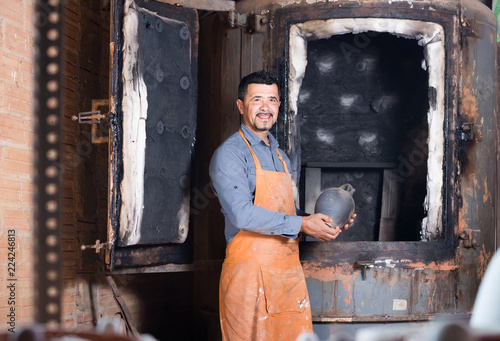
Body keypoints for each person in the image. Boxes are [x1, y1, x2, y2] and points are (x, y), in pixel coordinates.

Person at [209, 70, 355, 340]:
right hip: (249, 278)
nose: (265, 107)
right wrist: (302, 224)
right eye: (257, 100)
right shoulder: (230, 154)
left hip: (286, 276)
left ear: (278, 106)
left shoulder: (279, 155)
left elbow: (286, 213)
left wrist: (318, 222)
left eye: (272, 100)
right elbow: (242, 214)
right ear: (241, 106)